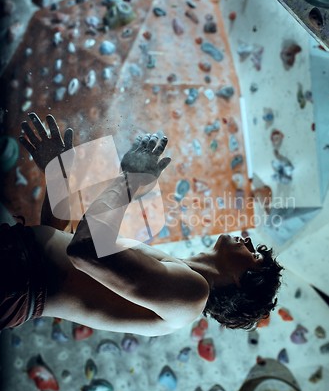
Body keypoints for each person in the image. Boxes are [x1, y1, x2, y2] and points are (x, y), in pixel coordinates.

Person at [0, 113, 283, 335]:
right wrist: (60, 175)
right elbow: (59, 243)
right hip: (17, 263)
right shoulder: (177, 276)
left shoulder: (194, 294)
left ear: (240, 281)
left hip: (14, 276)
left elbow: (85, 252)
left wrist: (130, 180)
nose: (247, 241)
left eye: (254, 255)